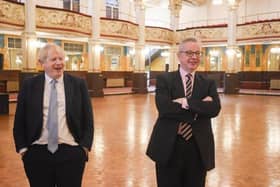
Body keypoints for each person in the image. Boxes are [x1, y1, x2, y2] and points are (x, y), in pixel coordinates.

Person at [13, 43, 94, 187]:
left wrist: (84, 148)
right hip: (37, 153)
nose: (59, 63)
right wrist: (24, 150)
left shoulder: (78, 84)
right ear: (42, 63)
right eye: (53, 59)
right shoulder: (29, 85)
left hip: (71, 152)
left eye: (61, 59)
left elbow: (88, 119)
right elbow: (19, 120)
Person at [146, 37, 221, 187]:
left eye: (197, 53)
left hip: (198, 147)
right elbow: (164, 108)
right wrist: (200, 107)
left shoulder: (208, 83)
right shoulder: (164, 79)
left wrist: (185, 102)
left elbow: (214, 109)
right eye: (189, 53)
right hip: (169, 146)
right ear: (179, 56)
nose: (194, 57)